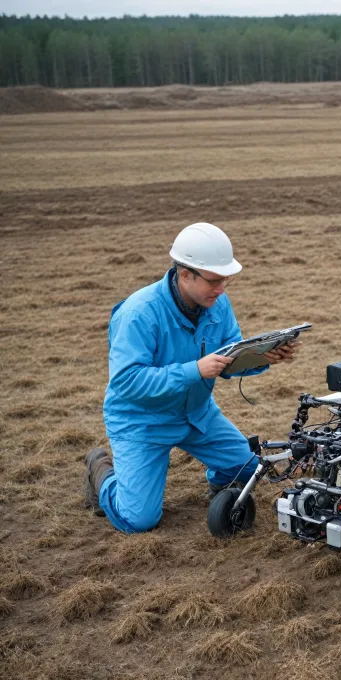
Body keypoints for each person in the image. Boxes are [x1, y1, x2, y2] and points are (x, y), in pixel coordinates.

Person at [84, 222, 299, 534]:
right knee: (138, 520)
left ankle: (219, 479)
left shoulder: (216, 303)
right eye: (214, 281)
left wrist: (262, 358)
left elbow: (228, 359)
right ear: (185, 274)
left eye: (226, 280)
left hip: (197, 414)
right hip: (142, 421)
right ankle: (99, 470)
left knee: (249, 469)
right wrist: (195, 370)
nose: (222, 289)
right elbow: (127, 382)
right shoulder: (138, 313)